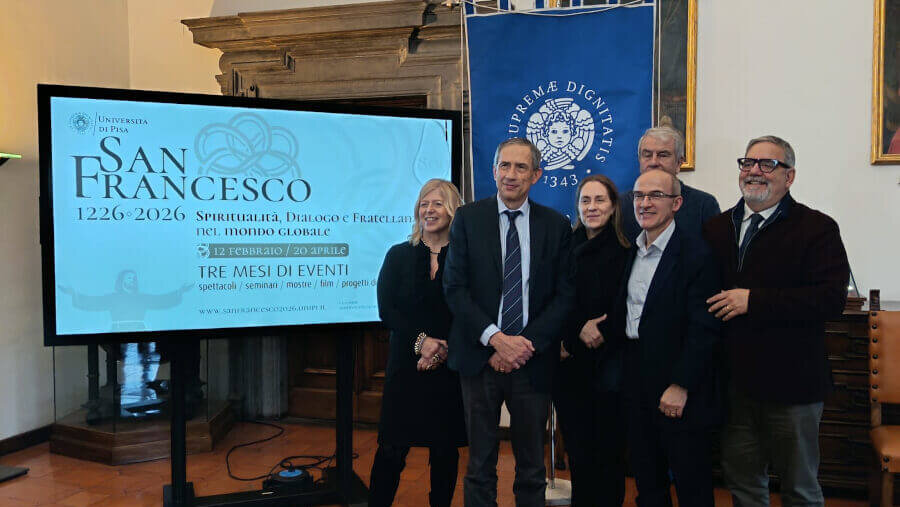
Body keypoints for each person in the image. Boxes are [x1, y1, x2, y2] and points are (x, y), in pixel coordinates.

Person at [703, 135, 850, 507]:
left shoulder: (817, 228)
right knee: (744, 487)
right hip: (734, 387)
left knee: (800, 490)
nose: (754, 171)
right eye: (748, 162)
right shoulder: (716, 228)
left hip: (793, 388)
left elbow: (830, 300)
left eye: (767, 164)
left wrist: (754, 301)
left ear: (790, 176)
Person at [443, 137, 575, 507]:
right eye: (505, 166)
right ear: (494, 170)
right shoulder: (468, 219)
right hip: (480, 358)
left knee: (532, 466)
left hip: (532, 361)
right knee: (479, 464)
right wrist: (496, 340)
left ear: (536, 175)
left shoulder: (556, 225)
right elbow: (455, 288)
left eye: (521, 167)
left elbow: (565, 295)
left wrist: (523, 345)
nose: (511, 174)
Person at [607, 169, 721, 507]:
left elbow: (704, 327)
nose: (644, 203)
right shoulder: (630, 249)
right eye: (639, 196)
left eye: (655, 195)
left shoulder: (697, 254)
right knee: (647, 477)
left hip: (678, 383)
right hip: (635, 377)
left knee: (691, 481)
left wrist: (681, 384)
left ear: (677, 203)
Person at [368, 179, 467, 507]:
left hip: (449, 368)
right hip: (405, 368)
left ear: (452, 210)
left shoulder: (466, 258)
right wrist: (422, 343)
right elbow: (387, 310)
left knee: (445, 450)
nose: (429, 210)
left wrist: (442, 350)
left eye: (437, 203)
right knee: (391, 449)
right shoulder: (398, 255)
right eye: (424, 204)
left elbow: (470, 309)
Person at [553, 175, 630, 507]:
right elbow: (553, 299)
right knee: (579, 454)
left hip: (610, 365)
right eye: (586, 200)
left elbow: (630, 305)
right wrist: (575, 330)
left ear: (613, 207)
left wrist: (600, 330)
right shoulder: (563, 249)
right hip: (570, 365)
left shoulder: (627, 251)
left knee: (609, 455)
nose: (592, 207)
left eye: (600, 200)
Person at [620, 126, 720, 240]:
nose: (653, 162)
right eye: (647, 155)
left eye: (663, 155)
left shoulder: (704, 205)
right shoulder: (621, 205)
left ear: (679, 163)